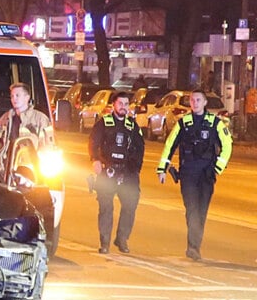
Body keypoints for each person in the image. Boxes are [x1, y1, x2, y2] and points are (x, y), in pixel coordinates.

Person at [156, 89, 232, 261]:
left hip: (206, 174)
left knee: (201, 211)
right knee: (192, 209)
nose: (195, 103)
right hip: (188, 173)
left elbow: (227, 145)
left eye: (198, 100)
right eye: (192, 100)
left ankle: (195, 245)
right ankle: (192, 247)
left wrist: (217, 168)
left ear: (205, 103)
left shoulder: (215, 123)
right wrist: (162, 169)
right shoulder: (183, 123)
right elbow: (170, 145)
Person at [88, 91, 144, 254]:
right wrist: (95, 160)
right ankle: (104, 242)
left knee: (130, 204)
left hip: (127, 172)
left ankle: (122, 239)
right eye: (120, 104)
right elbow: (93, 142)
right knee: (106, 207)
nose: (123, 107)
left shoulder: (133, 126)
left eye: (126, 104)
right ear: (114, 105)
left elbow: (140, 148)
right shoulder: (104, 123)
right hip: (108, 171)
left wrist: (135, 169)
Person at [0, 82, 55, 177]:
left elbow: (48, 147)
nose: (14, 99)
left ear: (27, 97)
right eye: (12, 96)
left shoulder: (40, 119)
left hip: (29, 173)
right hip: (5, 171)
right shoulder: (5, 118)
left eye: (17, 95)